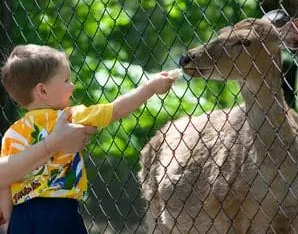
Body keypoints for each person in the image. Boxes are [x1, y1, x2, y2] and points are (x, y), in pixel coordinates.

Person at [0, 44, 176, 234]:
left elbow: (4, 185)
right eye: (66, 80)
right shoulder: (70, 117)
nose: (72, 85)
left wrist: (8, 221)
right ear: (42, 91)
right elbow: (115, 109)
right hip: (60, 214)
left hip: (21, 216)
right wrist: (149, 88)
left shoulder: (13, 133)